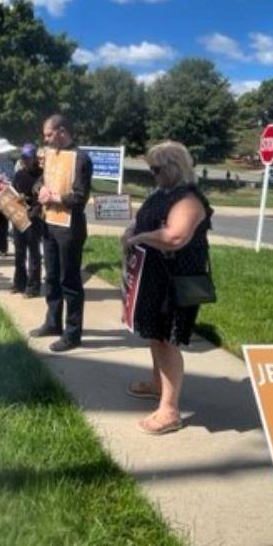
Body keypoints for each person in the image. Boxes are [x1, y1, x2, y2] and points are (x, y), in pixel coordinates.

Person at [122, 141, 213, 435]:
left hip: (176, 281)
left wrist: (139, 238)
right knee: (155, 333)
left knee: (166, 339)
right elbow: (146, 221)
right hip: (155, 277)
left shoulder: (188, 199)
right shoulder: (164, 193)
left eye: (156, 169)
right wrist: (133, 231)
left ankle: (170, 410)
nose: (153, 174)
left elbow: (175, 237)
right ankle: (157, 385)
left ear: (174, 167)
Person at [29, 114, 93, 352]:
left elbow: (79, 197)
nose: (45, 139)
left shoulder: (81, 159)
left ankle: (73, 333)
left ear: (62, 131)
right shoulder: (50, 156)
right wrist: (41, 190)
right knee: (52, 277)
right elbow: (37, 183)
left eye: (48, 134)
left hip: (70, 228)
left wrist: (53, 197)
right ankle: (53, 322)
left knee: (70, 281)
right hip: (49, 224)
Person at [10, 142, 44, 297]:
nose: (25, 160)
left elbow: (42, 199)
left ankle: (33, 287)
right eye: (23, 157)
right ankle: (19, 283)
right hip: (19, 217)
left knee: (34, 252)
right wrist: (16, 200)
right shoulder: (19, 174)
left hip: (34, 218)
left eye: (28, 157)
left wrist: (33, 212)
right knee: (19, 251)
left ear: (34, 157)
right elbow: (13, 193)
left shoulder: (42, 175)